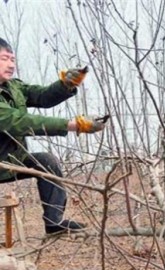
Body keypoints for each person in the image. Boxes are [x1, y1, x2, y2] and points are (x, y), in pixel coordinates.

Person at [0, 37, 105, 235]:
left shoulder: (14, 87)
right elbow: (21, 122)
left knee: (46, 161)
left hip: (10, 161)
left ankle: (54, 222)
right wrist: (74, 126)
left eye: (13, 59)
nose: (11, 64)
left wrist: (66, 84)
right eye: (5, 59)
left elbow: (43, 96)